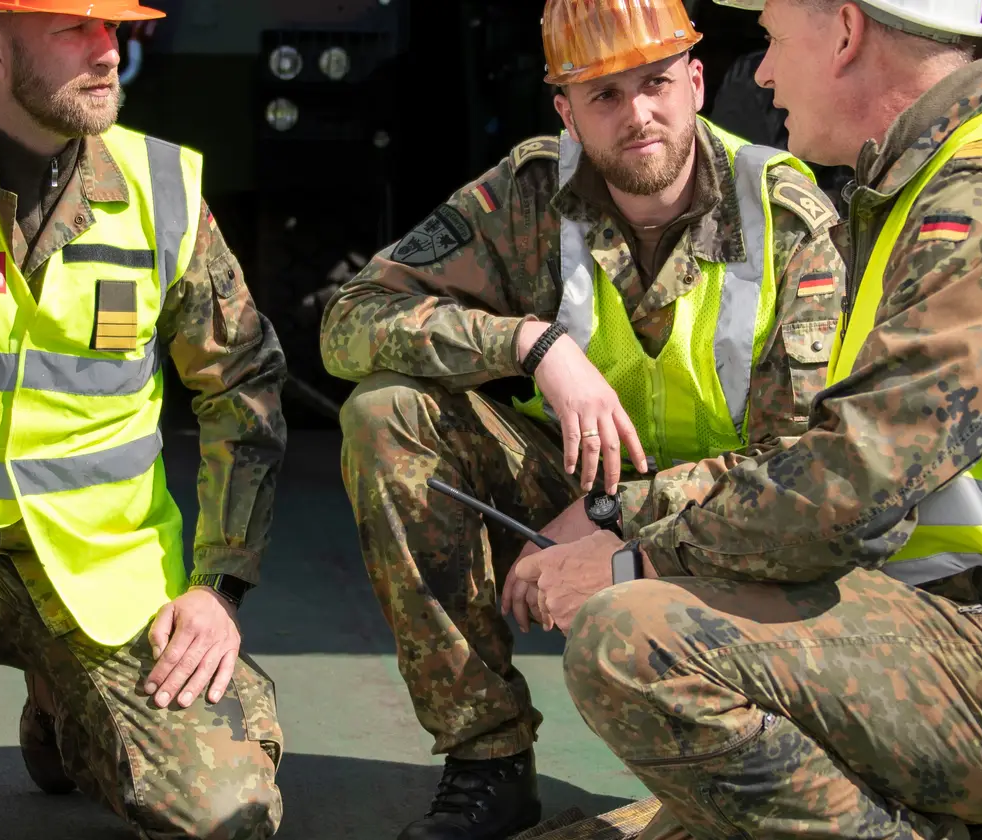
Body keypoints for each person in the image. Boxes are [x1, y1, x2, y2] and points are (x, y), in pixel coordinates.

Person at [513, 0, 982, 838]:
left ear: (844, 31)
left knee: (635, 641)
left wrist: (630, 561)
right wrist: (625, 512)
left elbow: (848, 489)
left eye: (771, 37)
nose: (762, 73)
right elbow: (824, 458)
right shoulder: (926, 188)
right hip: (972, 634)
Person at [319, 0, 847, 835]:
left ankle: (744, 763)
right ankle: (487, 759)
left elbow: (802, 467)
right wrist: (530, 344)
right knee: (387, 414)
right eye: (605, 95)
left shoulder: (782, 218)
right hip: (577, 486)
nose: (638, 114)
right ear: (565, 112)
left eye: (657, 83)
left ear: (698, 82)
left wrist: (614, 521)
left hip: (731, 526)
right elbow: (348, 324)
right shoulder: (528, 195)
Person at [0, 2, 289, 838]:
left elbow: (243, 384)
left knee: (226, 812)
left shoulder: (164, 189)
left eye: (112, 29)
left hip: (99, 573)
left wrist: (216, 588)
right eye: (73, 31)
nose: (107, 51)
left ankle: (62, 706)